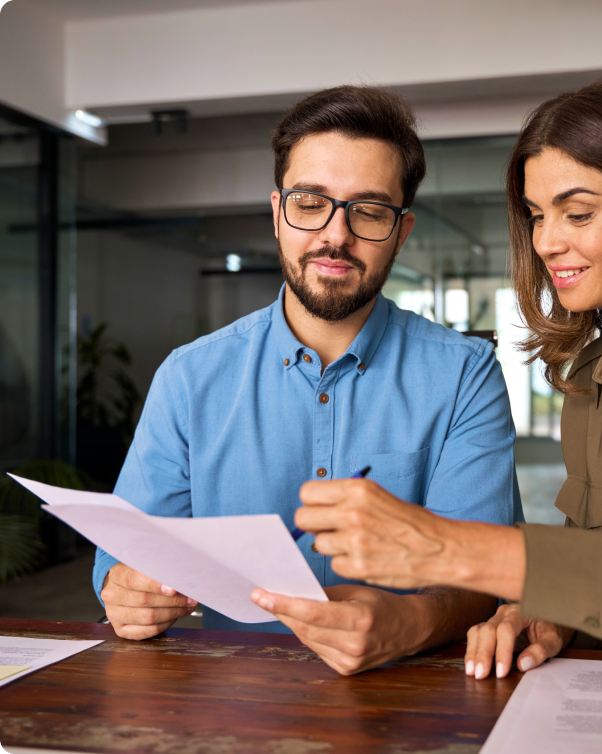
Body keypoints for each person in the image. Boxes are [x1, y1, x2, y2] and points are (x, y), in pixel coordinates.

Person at [292, 78, 602, 679]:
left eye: (578, 212)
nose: (547, 242)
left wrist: (447, 548)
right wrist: (552, 612)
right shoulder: (589, 379)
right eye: (537, 216)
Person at [93, 85, 523, 675]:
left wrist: (408, 624)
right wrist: (124, 590)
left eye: (369, 210)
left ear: (401, 231)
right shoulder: (190, 377)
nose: (336, 235)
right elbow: (122, 557)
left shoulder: (463, 375)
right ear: (277, 213)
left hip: (411, 698)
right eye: (310, 201)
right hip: (231, 699)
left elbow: (485, 577)